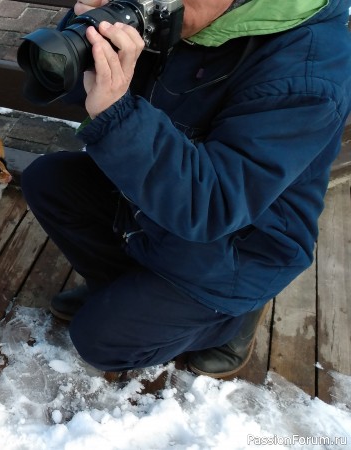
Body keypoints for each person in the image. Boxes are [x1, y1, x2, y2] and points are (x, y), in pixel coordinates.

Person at [21, 0, 351, 378]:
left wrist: (117, 114)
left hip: (241, 243)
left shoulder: (308, 70)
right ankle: (121, 288)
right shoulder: (179, 15)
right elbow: (76, 92)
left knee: (99, 340)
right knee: (47, 181)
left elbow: (214, 204)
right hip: (165, 199)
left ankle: (229, 321)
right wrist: (90, 29)